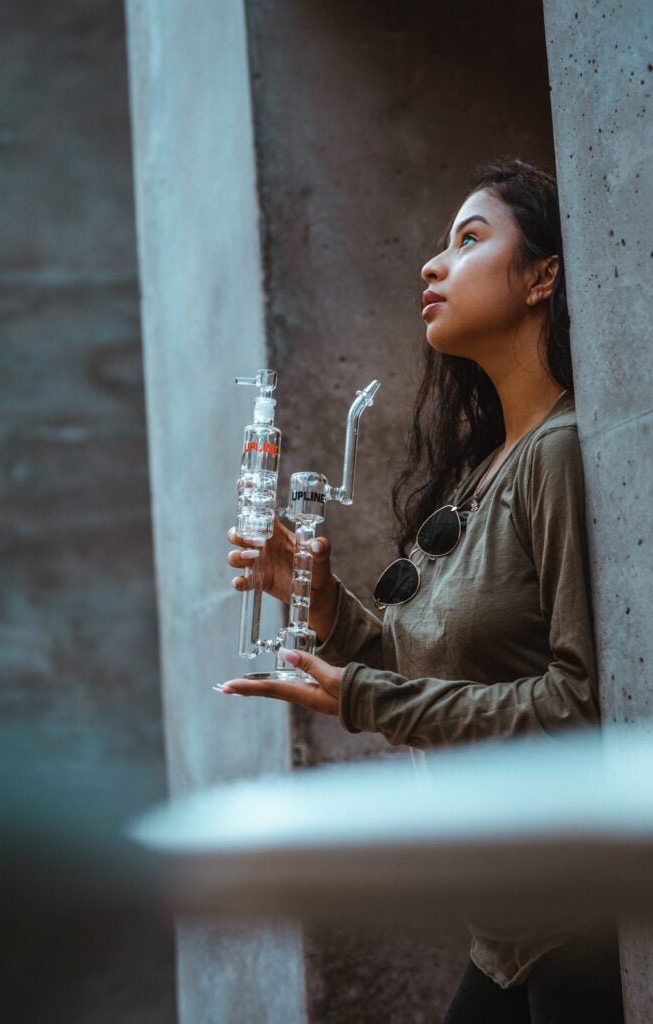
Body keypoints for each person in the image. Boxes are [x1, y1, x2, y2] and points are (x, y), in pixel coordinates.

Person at [217, 158, 625, 1023]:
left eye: (470, 240)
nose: (431, 266)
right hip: (503, 930)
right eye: (440, 246)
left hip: (576, 921)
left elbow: (578, 704)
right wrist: (325, 608)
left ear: (542, 276)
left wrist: (365, 697)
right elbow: (427, 669)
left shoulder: (560, 452)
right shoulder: (478, 472)